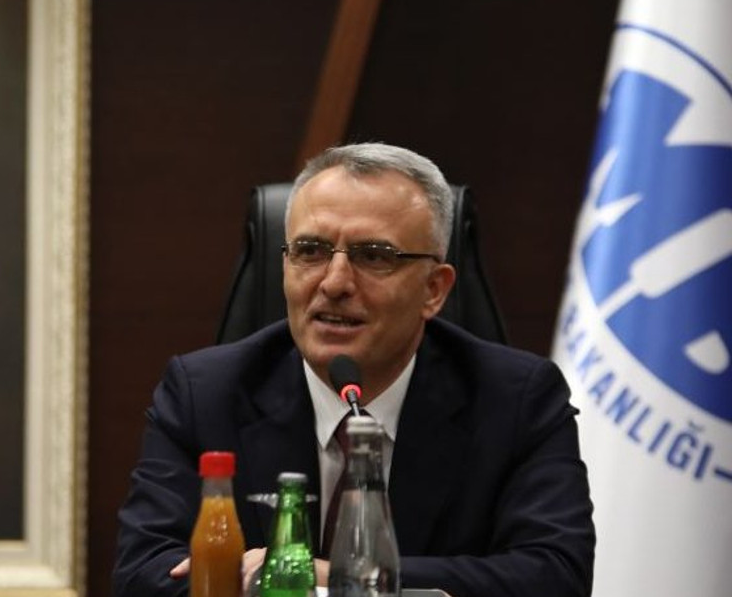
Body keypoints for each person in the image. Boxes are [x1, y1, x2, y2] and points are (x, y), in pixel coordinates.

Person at [113, 143, 594, 597]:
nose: (335, 282)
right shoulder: (204, 394)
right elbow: (142, 573)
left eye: (374, 257)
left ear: (434, 290)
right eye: (310, 251)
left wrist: (331, 577)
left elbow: (555, 576)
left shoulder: (517, 400)